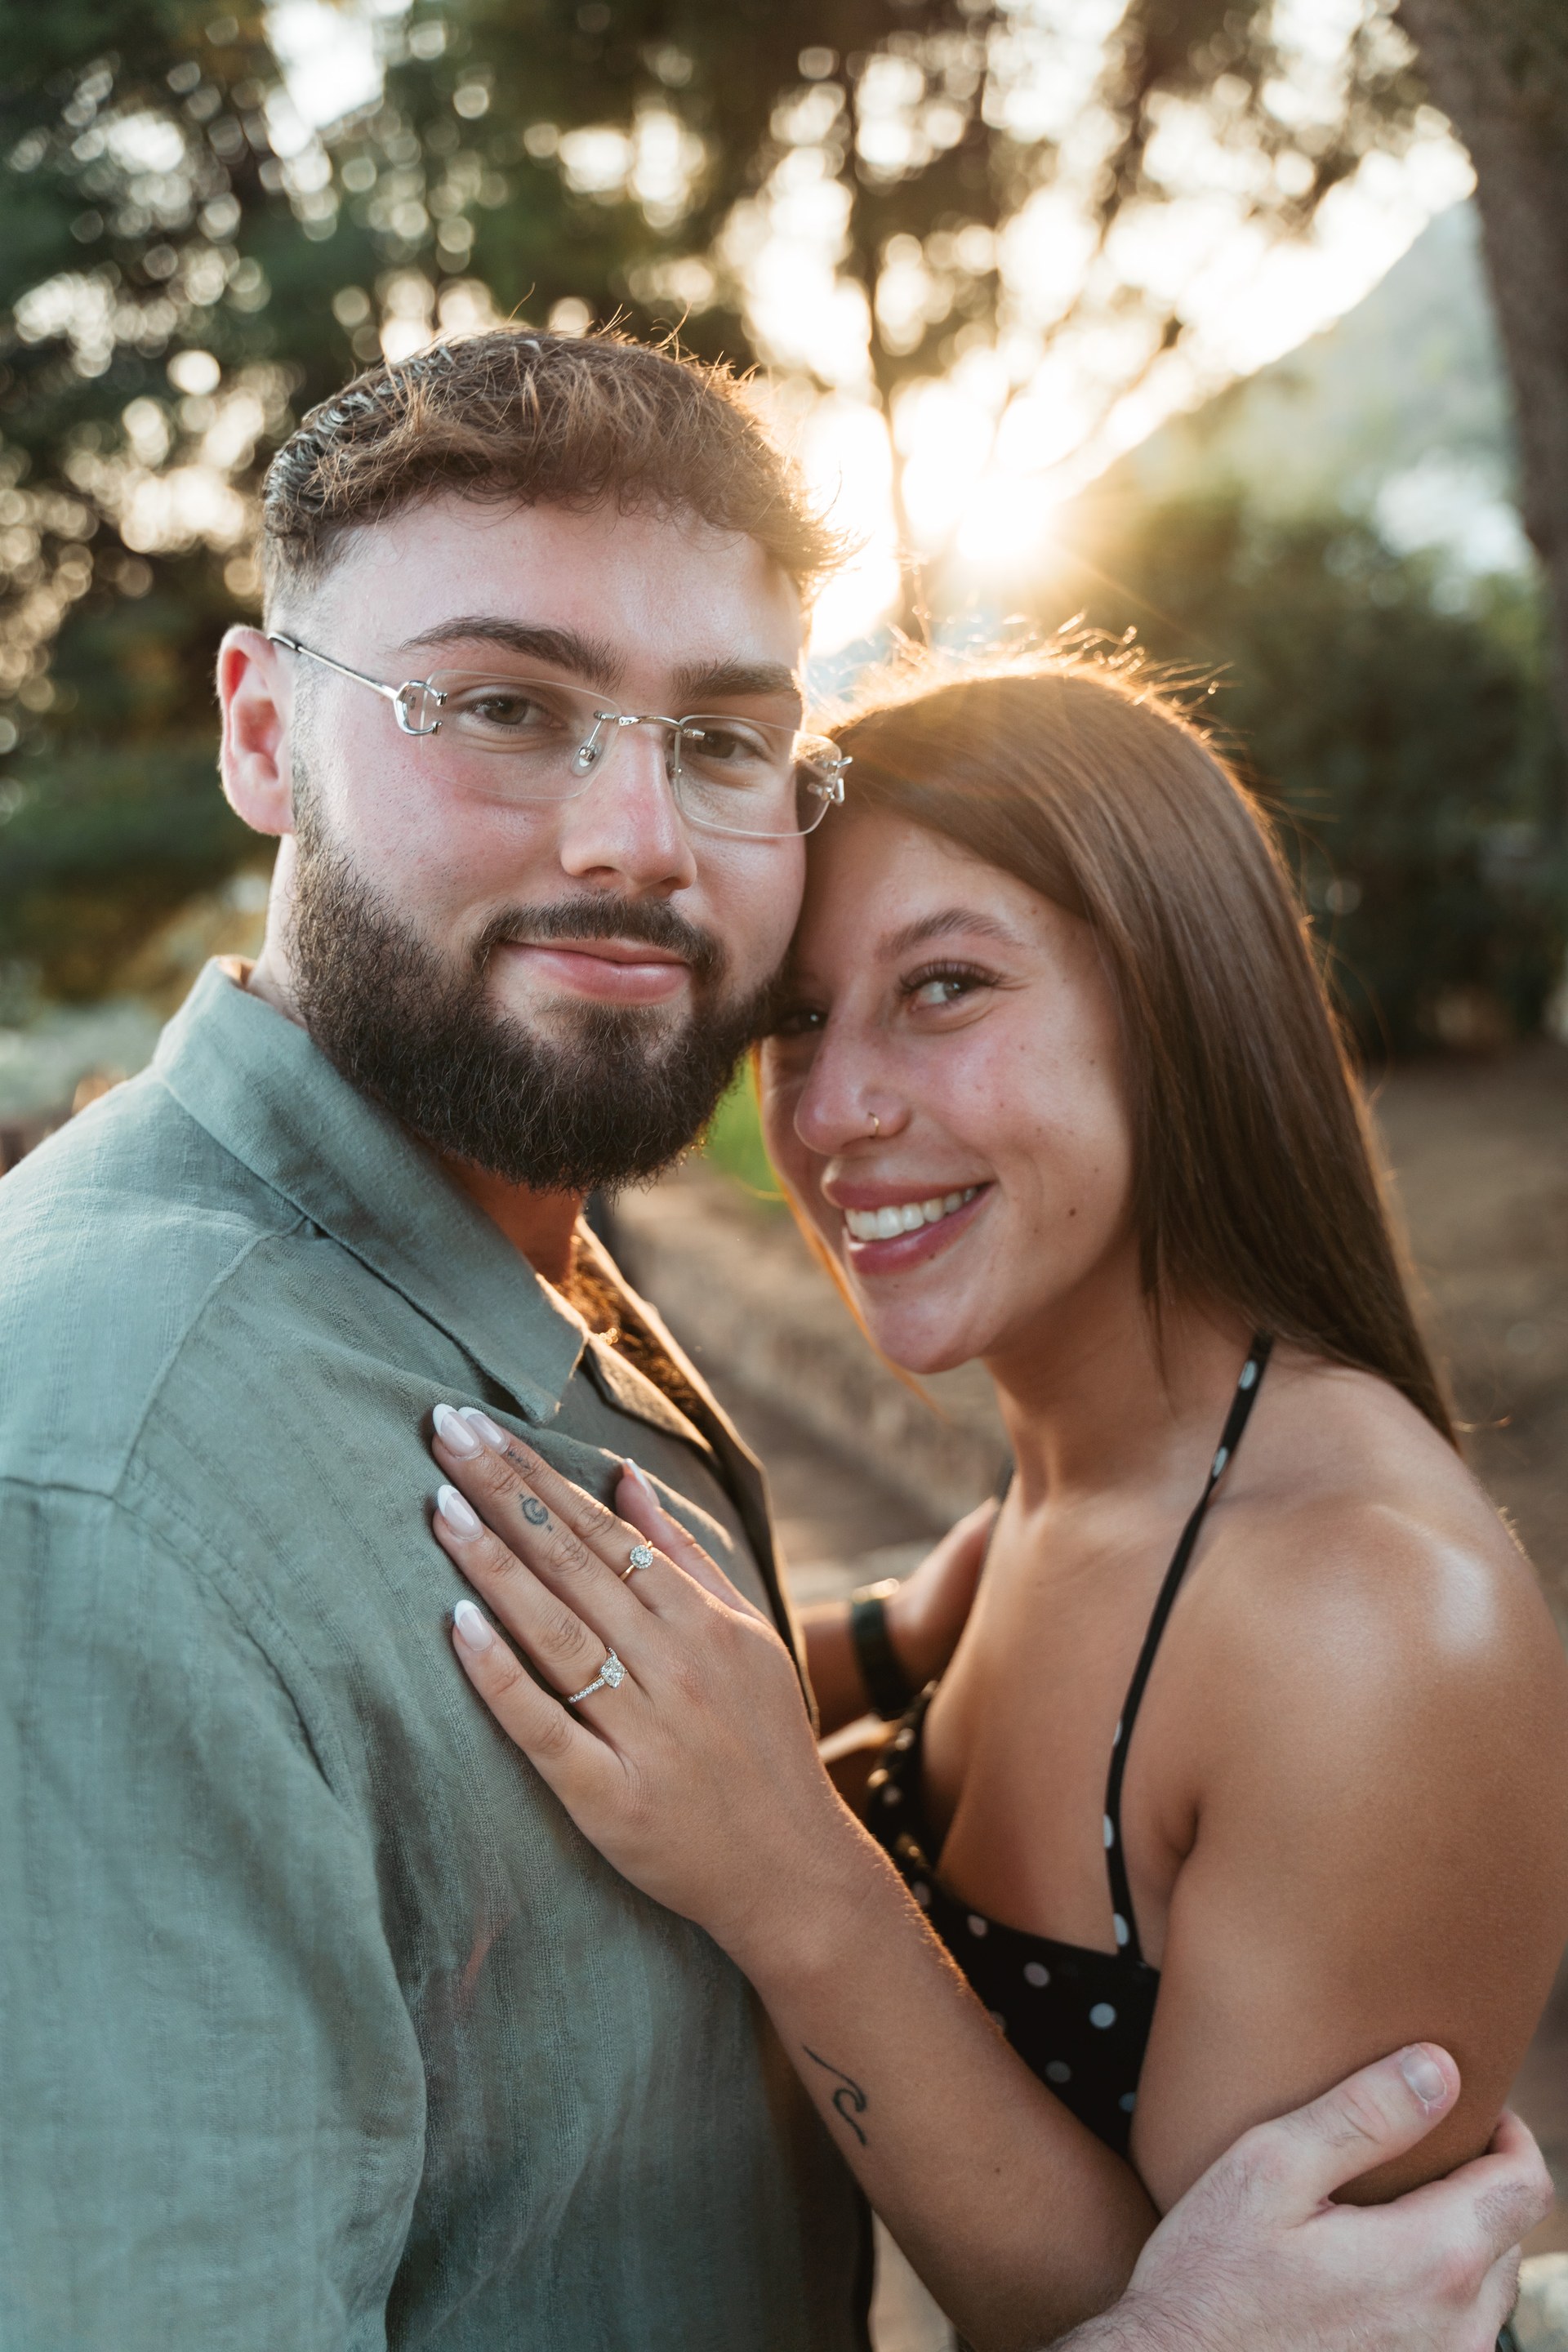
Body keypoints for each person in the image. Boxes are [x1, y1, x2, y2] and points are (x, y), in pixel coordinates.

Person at [0, 328, 1549, 2351]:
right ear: (265, 730)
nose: (636, 837)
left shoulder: (502, 1269)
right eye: (501, 704)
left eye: (722, 738)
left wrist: (845, 1706)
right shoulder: (99, 1500)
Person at [416, 652, 1568, 2345]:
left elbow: (1201, 2315)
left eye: (943, 987)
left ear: (1178, 1002)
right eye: (797, 1018)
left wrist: (794, 1877)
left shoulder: (1361, 1620)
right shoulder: (1064, 1493)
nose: (835, 1110)